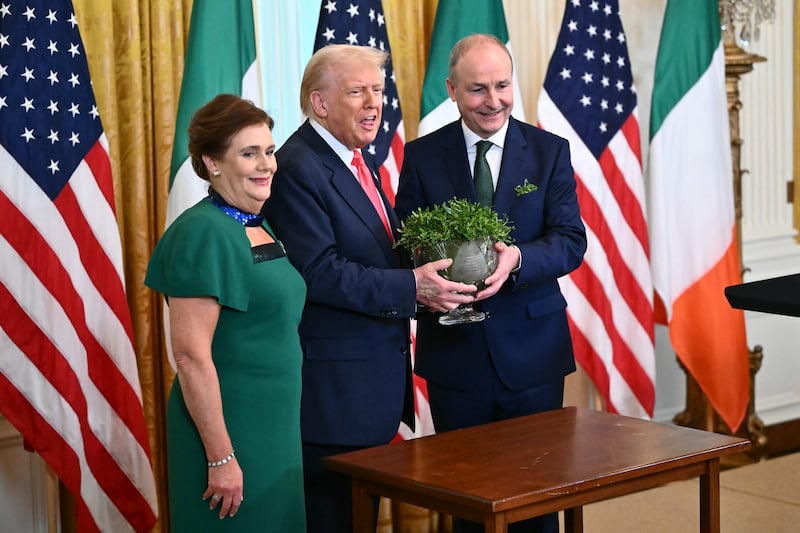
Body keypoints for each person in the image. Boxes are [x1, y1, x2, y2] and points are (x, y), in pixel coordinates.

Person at [263, 44, 474, 533]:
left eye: (377, 91)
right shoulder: (299, 166)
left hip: (368, 387)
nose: (374, 103)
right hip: (334, 396)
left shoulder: (356, 160)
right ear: (319, 103)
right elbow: (317, 272)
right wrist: (412, 287)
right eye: (357, 91)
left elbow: (376, 252)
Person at [395, 34, 587, 533]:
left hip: (533, 351)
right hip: (455, 354)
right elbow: (404, 241)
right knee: (469, 500)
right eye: (478, 89)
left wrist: (518, 258)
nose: (494, 100)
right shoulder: (421, 156)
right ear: (452, 90)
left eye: (502, 86)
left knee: (537, 496)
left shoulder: (549, 152)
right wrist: (430, 276)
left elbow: (570, 241)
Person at [145, 94, 306, 531]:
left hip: (274, 430)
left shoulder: (253, 222)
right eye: (249, 153)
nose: (266, 165)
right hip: (229, 436)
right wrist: (221, 457)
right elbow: (190, 357)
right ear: (212, 163)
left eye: (269, 151)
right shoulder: (203, 231)